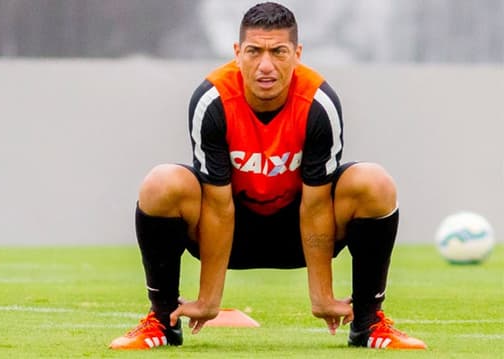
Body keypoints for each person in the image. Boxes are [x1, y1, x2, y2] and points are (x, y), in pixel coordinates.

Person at [109, 2, 426, 350]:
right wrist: (208, 299)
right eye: (254, 51)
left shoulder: (319, 102)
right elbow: (217, 206)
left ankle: (368, 324)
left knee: (374, 182)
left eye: (278, 52)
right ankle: (163, 321)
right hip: (228, 231)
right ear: (237, 53)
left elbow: (317, 204)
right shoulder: (212, 100)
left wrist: (322, 296)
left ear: (297, 53)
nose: (265, 66)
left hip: (299, 231)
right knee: (161, 183)